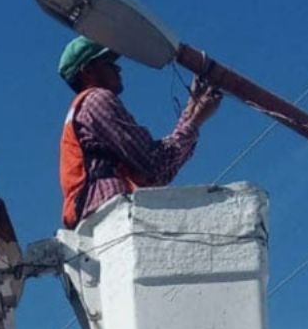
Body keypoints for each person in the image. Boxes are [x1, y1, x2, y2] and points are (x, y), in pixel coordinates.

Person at [57, 36, 224, 228]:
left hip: (95, 219)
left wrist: (192, 112)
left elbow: (158, 170)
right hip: (107, 216)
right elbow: (154, 164)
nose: (118, 69)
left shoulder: (81, 109)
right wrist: (195, 121)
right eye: (108, 63)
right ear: (87, 71)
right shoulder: (97, 99)